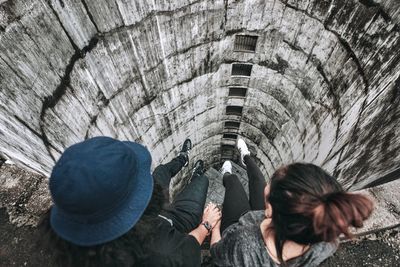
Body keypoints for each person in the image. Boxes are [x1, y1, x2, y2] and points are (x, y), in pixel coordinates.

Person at [39, 136, 221, 266]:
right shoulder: (166, 255)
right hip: (176, 224)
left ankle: (182, 159)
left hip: (152, 219)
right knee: (202, 181)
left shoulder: (83, 238)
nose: (147, 183)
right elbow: (190, 246)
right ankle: (196, 176)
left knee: (160, 173)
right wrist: (207, 224)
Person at [210, 138, 374, 267]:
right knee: (257, 179)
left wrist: (214, 227)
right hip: (270, 222)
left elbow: (217, 252)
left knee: (234, 184)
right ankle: (246, 157)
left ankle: (227, 174)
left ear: (270, 211)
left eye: (272, 185)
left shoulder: (243, 241)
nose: (267, 186)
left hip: (242, 223)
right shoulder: (324, 237)